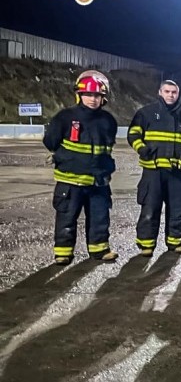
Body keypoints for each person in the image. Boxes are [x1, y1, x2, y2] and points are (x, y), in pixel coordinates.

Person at [43, 71, 119, 265]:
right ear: (79, 95)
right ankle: (63, 252)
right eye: (88, 95)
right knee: (67, 217)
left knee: (100, 217)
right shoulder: (65, 117)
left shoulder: (109, 121)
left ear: (103, 98)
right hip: (70, 179)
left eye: (97, 96)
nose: (93, 99)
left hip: (98, 180)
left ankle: (100, 249)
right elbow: (50, 141)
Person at [128, 80, 181, 256]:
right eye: (167, 91)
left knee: (178, 208)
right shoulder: (146, 113)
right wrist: (142, 149)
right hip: (153, 171)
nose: (170, 95)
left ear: (178, 93)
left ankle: (175, 243)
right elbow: (133, 133)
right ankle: (146, 244)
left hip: (177, 172)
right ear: (160, 92)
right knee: (150, 208)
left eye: (174, 92)